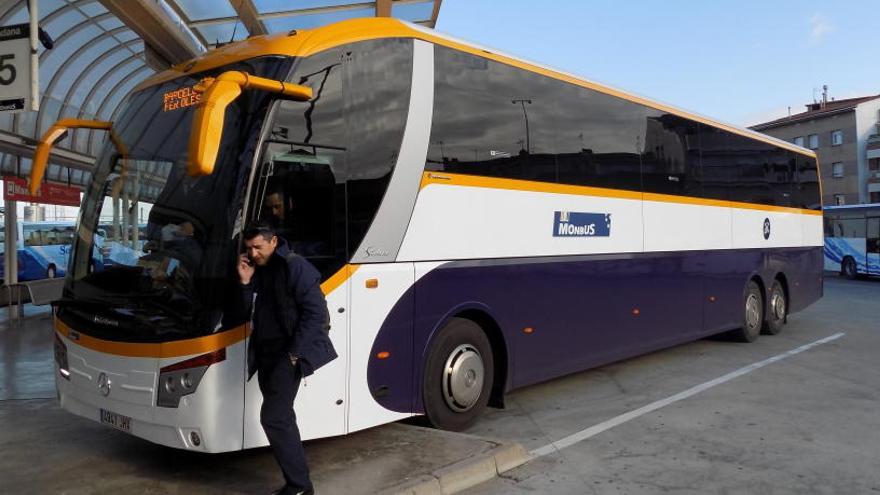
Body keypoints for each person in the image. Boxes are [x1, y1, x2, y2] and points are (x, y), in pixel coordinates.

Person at [236, 221, 336, 495]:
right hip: (265, 356)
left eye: (258, 246)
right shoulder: (260, 271)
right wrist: (245, 282)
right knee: (281, 417)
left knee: (274, 417)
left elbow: (316, 313)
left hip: (285, 355)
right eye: (249, 248)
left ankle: (300, 486)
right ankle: (299, 483)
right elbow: (247, 313)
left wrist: (294, 354)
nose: (254, 253)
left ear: (273, 242)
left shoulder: (296, 267)